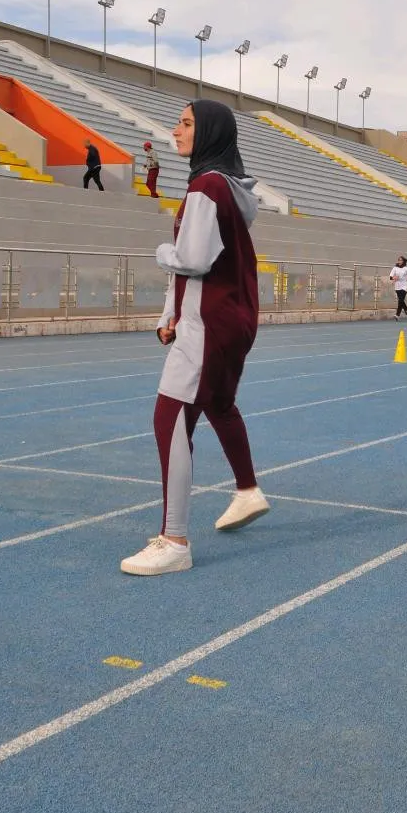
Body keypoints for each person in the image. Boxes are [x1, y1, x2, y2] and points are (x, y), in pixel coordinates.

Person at [121, 99, 269, 576]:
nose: (176, 130)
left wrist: (163, 250)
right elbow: (200, 267)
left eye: (186, 123)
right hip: (225, 318)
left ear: (207, 132)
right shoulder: (225, 186)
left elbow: (194, 259)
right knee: (220, 406)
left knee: (171, 420)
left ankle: (175, 540)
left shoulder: (206, 187)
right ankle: (247, 491)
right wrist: (170, 313)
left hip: (210, 323)